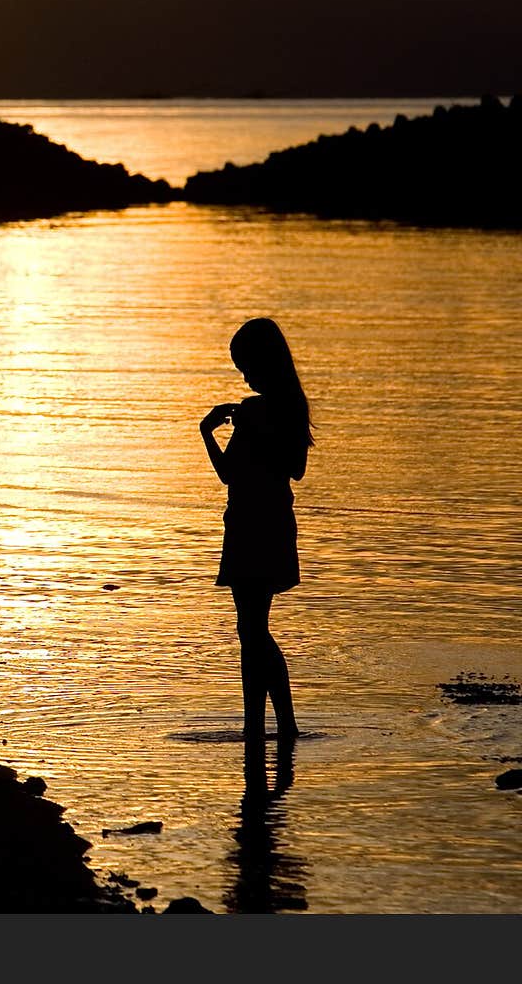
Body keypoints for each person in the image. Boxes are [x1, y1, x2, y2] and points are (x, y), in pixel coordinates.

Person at [199, 317, 313, 743]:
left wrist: (225, 429)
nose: (244, 376)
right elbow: (244, 472)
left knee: (252, 630)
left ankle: (276, 725)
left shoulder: (266, 410)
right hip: (260, 523)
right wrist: (213, 432)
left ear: (264, 363)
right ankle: (271, 726)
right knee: (252, 629)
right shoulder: (280, 408)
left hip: (257, 525)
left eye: (246, 366)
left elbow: (276, 470)